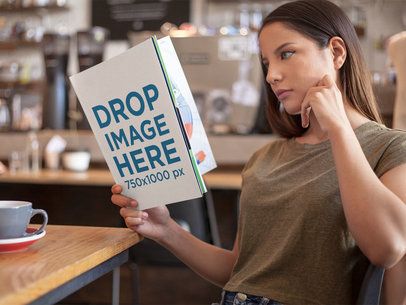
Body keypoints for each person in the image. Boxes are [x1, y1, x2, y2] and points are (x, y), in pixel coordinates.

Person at [111, 1, 406, 304]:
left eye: (286, 54)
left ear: (336, 52)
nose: (271, 76)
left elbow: (388, 248)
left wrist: (340, 130)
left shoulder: (390, 147)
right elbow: (242, 272)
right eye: (266, 63)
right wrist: (166, 230)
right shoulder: (265, 158)